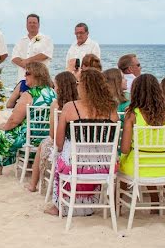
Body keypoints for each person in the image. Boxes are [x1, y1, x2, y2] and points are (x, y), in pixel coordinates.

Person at [46, 68, 120, 216]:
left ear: (85, 86)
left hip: (75, 167)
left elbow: (58, 142)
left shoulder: (70, 107)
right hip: (104, 167)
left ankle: (59, 206)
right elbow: (114, 141)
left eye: (78, 82)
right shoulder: (111, 109)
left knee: (58, 155)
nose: (77, 86)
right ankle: (87, 204)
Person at [0, 62, 55, 177]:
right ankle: (30, 164)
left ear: (36, 75)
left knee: (1, 135)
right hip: (48, 137)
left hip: (31, 138)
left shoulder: (29, 94)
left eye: (27, 73)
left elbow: (14, 120)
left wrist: (4, 128)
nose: (24, 76)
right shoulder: (53, 93)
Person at [26, 71, 78, 193]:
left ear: (60, 87)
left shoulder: (57, 104)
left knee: (42, 145)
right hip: (78, 143)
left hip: (61, 144)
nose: (54, 87)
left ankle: (33, 184)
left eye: (55, 85)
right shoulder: (79, 103)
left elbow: (53, 134)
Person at [119, 74, 165, 179]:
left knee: (123, 164)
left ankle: (119, 196)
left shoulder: (132, 115)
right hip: (164, 167)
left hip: (137, 168)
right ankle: (155, 196)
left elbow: (125, 149)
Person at [10, 13, 53, 84]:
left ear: (38, 25)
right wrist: (25, 65)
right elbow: (14, 57)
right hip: (22, 79)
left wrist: (27, 61)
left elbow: (45, 55)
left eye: (34, 23)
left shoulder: (46, 39)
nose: (32, 24)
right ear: (26, 25)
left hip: (39, 80)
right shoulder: (20, 41)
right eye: (29, 23)